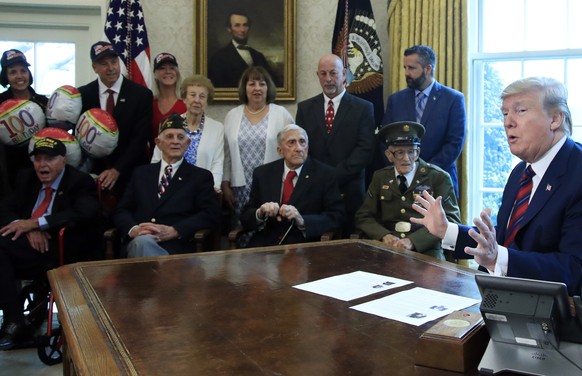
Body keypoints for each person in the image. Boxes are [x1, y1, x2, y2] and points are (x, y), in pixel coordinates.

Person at [410, 77, 582, 295]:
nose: (508, 122)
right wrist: (447, 230)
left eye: (520, 111)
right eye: (505, 113)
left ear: (555, 119)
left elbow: (574, 269)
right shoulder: (521, 172)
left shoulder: (577, 172)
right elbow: (506, 237)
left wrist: (498, 258)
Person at [0, 137, 99, 350]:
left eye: (49, 159)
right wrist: (23, 226)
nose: (42, 165)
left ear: (63, 160)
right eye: (38, 159)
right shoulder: (26, 178)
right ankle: (15, 319)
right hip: (26, 247)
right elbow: (5, 207)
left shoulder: (79, 181)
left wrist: (38, 223)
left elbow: (86, 213)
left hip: (59, 248)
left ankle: (14, 319)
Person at [115, 113, 221, 258]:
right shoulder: (141, 174)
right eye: (169, 136)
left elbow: (210, 214)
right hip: (138, 243)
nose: (175, 141)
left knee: (143, 247)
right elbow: (122, 210)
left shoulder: (200, 177)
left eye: (181, 137)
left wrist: (175, 230)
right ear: (158, 143)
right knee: (142, 243)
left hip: (176, 248)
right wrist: (134, 230)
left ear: (188, 143)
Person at [355, 121, 460, 259]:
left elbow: (452, 220)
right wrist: (383, 235)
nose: (406, 158)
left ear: (418, 153)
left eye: (411, 152)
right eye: (399, 152)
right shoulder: (380, 177)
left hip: (426, 250)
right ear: (389, 155)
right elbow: (364, 216)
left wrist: (414, 241)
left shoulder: (437, 177)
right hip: (388, 248)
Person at [295, 53, 375, 234]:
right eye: (323, 74)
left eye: (333, 73)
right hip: (315, 193)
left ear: (344, 73)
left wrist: (332, 176)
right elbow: (301, 149)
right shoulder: (305, 108)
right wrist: (320, 179)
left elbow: (365, 150)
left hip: (350, 192)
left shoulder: (363, 108)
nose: (328, 79)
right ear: (317, 76)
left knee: (349, 251)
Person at [240, 124, 345, 247]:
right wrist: (260, 212)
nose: (299, 148)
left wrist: (302, 220)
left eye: (302, 142)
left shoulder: (325, 174)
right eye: (291, 143)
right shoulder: (263, 173)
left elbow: (337, 217)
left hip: (303, 246)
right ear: (280, 151)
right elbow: (245, 216)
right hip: (266, 245)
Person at [382, 45, 466, 197]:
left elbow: (455, 143)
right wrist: (406, 168)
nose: (406, 73)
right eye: (405, 67)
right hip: (401, 182)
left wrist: (423, 171)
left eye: (412, 68)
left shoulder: (453, 99)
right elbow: (386, 139)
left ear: (428, 68)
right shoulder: (396, 100)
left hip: (439, 181)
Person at [222, 66, 293, 238]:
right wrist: (225, 183)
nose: (257, 88)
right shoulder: (232, 115)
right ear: (244, 88)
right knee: (243, 232)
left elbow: (293, 147)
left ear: (268, 88)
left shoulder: (281, 114)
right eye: (251, 84)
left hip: (272, 183)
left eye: (262, 84)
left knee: (270, 230)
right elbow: (226, 154)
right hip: (241, 188)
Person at [77, 41, 153, 195]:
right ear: (94, 68)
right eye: (104, 64)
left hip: (130, 175)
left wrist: (117, 169)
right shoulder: (83, 94)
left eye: (114, 62)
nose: (111, 68)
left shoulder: (141, 95)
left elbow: (140, 138)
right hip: (93, 175)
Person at [151, 75, 224, 191]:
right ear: (184, 98)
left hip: (202, 189)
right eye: (192, 95)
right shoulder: (169, 123)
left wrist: (213, 188)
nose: (197, 100)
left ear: (207, 101)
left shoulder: (217, 128)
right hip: (170, 188)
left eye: (202, 96)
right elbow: (156, 159)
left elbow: (217, 163)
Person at [0, 49, 49, 197]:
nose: (19, 76)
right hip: (9, 174)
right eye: (13, 72)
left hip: (44, 170)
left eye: (23, 70)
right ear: (6, 77)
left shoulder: (43, 102)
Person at [208, 10, 280, 87]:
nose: (242, 30)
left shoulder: (258, 56)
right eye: (237, 25)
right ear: (229, 29)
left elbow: (273, 83)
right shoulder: (218, 58)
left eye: (245, 25)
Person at [150, 52, 187, 154]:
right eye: (162, 68)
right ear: (155, 74)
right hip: (153, 162)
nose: (168, 71)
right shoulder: (149, 104)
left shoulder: (186, 104)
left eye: (172, 68)